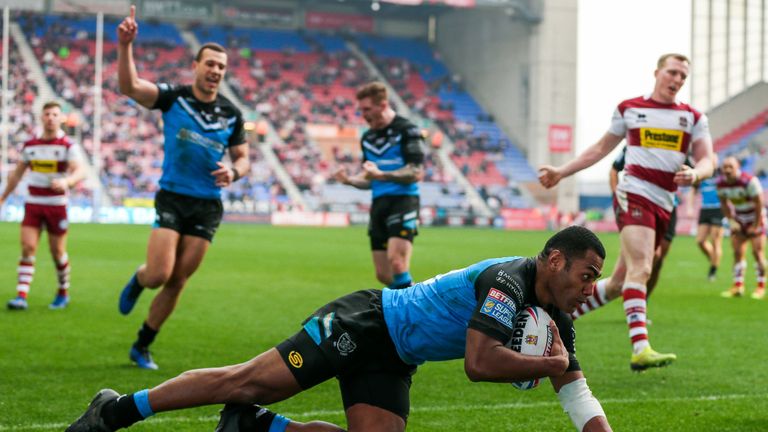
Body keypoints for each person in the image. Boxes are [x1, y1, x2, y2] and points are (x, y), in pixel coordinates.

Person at [67, 226, 612, 432]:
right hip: (365, 323)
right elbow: (479, 363)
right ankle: (114, 411)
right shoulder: (507, 280)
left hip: (395, 355)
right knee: (247, 379)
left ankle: (256, 428)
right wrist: (544, 365)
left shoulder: (555, 318)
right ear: (555, 260)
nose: (591, 288)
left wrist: (558, 372)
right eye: (587, 274)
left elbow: (577, 393)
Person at [538, 53, 715, 371]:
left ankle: (548, 320)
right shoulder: (631, 109)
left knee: (620, 283)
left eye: (683, 77)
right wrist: (561, 172)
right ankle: (640, 348)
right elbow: (599, 149)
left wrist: (697, 173)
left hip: (664, 201)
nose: (677, 80)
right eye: (672, 73)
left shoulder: (692, 117)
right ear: (657, 72)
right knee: (643, 268)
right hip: (634, 192)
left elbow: (708, 159)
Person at [115, 6, 249, 370]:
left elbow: (244, 156)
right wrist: (125, 45)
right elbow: (129, 86)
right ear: (196, 65)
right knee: (159, 274)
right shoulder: (174, 97)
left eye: (221, 67)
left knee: (178, 280)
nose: (216, 71)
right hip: (173, 195)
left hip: (208, 205)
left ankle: (142, 344)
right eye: (210, 64)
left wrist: (234, 172)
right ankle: (140, 279)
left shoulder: (232, 113)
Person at [571, 146, 686, 320]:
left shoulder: (677, 139)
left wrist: (694, 174)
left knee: (644, 268)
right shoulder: (636, 139)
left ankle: (639, 304)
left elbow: (701, 165)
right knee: (650, 258)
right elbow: (613, 169)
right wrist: (616, 195)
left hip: (667, 208)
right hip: (637, 205)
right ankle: (639, 331)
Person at [333, 82, 425, 290]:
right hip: (379, 204)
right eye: (361, 110)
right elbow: (369, 179)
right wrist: (348, 180)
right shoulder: (367, 137)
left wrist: (382, 174)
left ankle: (412, 312)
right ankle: (414, 296)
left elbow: (415, 172)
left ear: (382, 105)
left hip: (404, 200)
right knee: (383, 274)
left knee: (397, 262)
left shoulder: (407, 130)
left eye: (367, 109)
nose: (363, 115)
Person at [2, 101, 86, 311]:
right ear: (42, 117)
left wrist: (67, 182)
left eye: (55, 114)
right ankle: (21, 296)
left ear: (61, 119)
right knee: (28, 247)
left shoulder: (68, 146)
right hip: (33, 203)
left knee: (57, 252)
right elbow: (17, 175)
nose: (50, 118)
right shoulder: (30, 146)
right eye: (47, 114)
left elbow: (80, 171)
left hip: (56, 205)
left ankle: (63, 291)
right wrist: (3, 197)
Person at [716, 156, 766, 299]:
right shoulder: (720, 183)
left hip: (756, 217)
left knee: (757, 252)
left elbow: (759, 204)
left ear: (738, 167)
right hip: (739, 218)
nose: (727, 170)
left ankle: (760, 287)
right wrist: (731, 221)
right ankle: (738, 286)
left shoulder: (749, 181)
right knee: (737, 252)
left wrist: (756, 225)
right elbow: (724, 204)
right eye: (724, 167)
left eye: (730, 167)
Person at [692, 156, 724, 282]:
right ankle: (713, 259)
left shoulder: (721, 174)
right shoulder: (703, 173)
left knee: (716, 240)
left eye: (714, 159)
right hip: (705, 209)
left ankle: (713, 271)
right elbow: (694, 189)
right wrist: (689, 206)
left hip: (718, 209)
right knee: (700, 240)